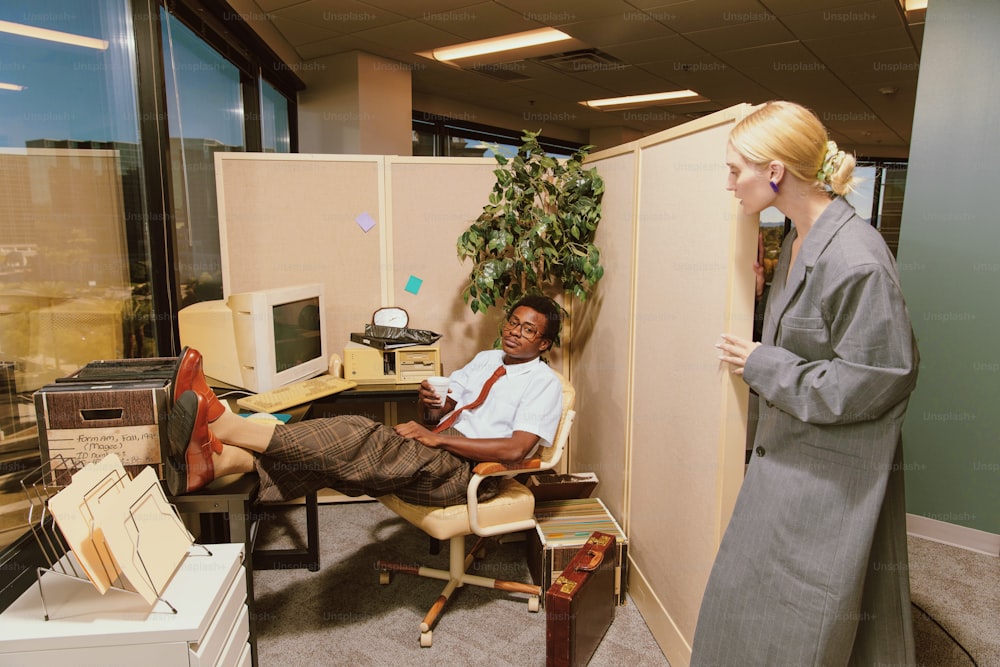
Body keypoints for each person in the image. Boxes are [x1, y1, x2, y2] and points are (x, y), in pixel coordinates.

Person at [691, 101, 920, 665]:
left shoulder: (858, 258)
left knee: (806, 615)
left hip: (829, 466)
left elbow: (879, 377)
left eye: (734, 170)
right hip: (792, 451)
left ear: (774, 172)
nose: (728, 184)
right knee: (757, 597)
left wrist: (762, 364)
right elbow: (816, 337)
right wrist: (766, 294)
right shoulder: (798, 238)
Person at [164, 295, 565, 509]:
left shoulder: (543, 384)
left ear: (543, 343)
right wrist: (429, 405)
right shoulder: (487, 359)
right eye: (513, 322)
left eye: (528, 330)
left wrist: (439, 439)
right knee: (339, 455)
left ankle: (228, 427)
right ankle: (220, 463)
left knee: (358, 434)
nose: (514, 332)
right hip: (441, 446)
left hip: (471, 475)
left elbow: (516, 450)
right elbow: (439, 412)